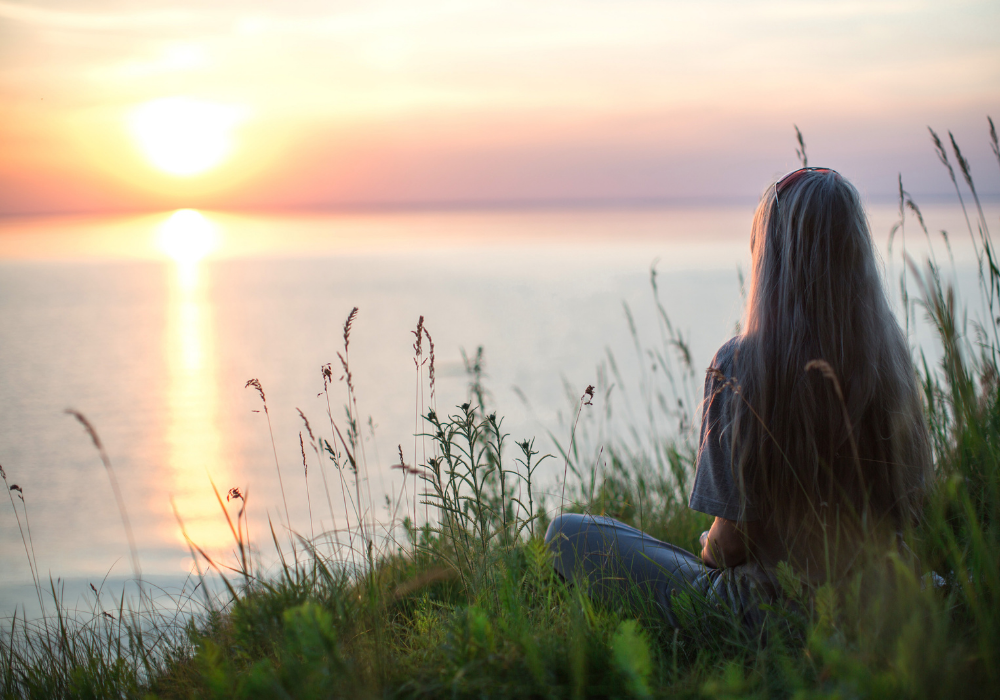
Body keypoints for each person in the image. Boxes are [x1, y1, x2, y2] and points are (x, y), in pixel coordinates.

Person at [545, 167, 932, 626]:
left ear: (772, 258)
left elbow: (729, 547)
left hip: (770, 614)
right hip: (884, 604)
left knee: (570, 533)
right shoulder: (892, 362)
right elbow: (915, 511)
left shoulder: (742, 365)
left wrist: (709, 542)